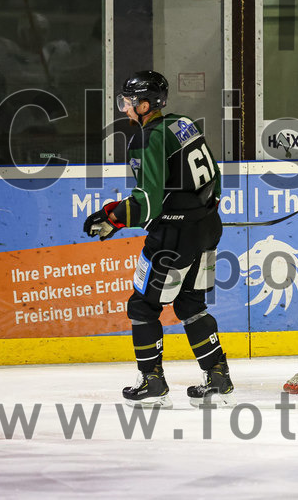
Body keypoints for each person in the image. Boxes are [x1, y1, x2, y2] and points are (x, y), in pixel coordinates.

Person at [83, 71, 231, 408]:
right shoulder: (183, 124)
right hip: (208, 228)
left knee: (142, 306)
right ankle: (218, 374)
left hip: (173, 237)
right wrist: (200, 212)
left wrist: (111, 217)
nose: (125, 107)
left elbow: (147, 202)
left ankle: (152, 380)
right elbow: (215, 180)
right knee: (190, 304)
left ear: (145, 103)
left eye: (129, 101)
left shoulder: (147, 138)